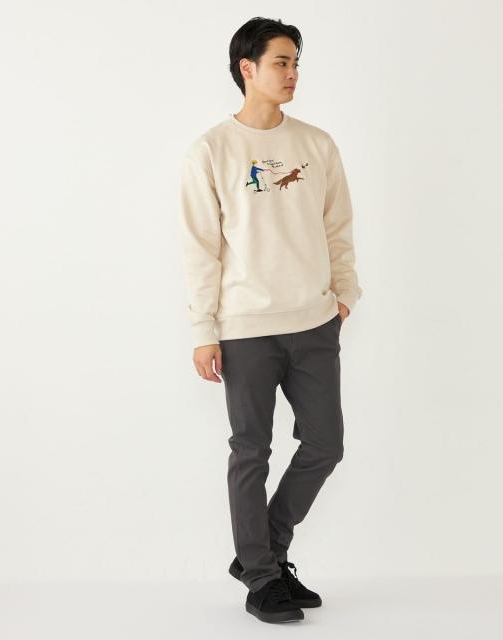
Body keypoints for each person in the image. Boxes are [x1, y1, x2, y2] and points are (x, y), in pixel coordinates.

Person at [178, 16, 362, 624]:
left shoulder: (316, 145)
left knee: (325, 444)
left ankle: (264, 552)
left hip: (314, 322)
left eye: (296, 63)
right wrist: (203, 330)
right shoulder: (212, 150)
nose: (292, 74)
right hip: (245, 327)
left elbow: (337, 226)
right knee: (251, 451)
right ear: (247, 68)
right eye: (281, 62)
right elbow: (201, 248)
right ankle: (262, 579)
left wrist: (344, 294)